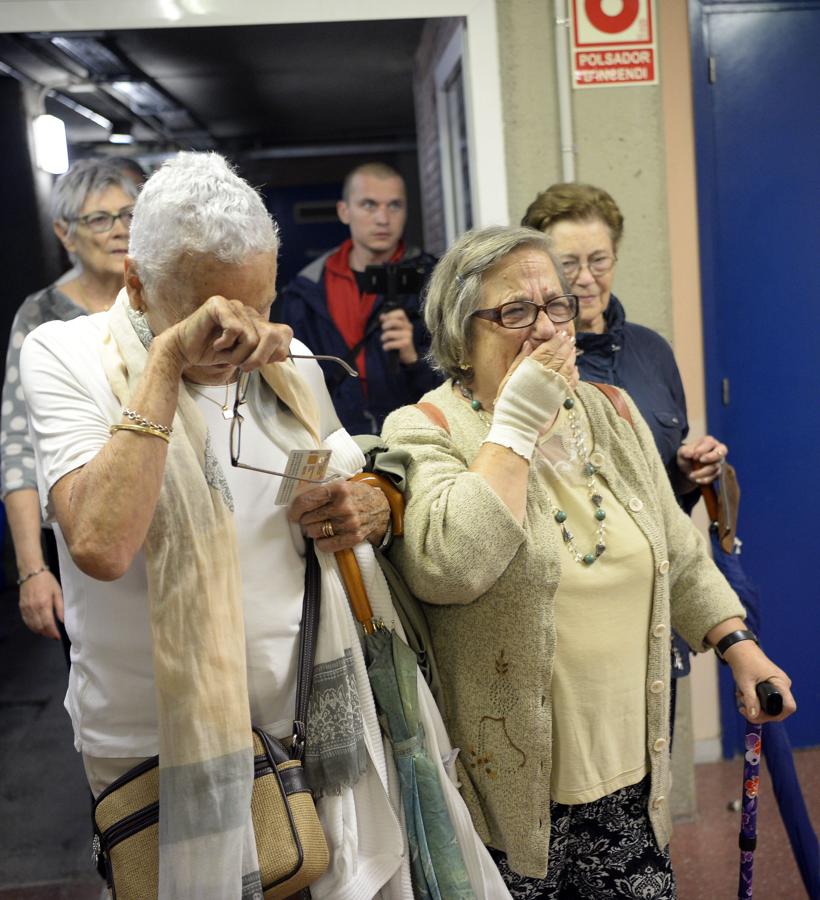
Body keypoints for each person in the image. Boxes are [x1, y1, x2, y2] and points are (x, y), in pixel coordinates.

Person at [19, 152, 507, 900]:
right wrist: (167, 362)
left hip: (315, 725)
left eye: (260, 306)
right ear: (138, 285)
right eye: (213, 320)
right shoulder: (66, 354)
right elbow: (100, 544)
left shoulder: (291, 361)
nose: (244, 340)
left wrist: (370, 503)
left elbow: (355, 477)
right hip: (157, 746)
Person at [381, 226, 796, 898]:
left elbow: (681, 555)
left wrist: (736, 643)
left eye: (556, 307)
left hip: (631, 778)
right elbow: (452, 566)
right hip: (510, 798)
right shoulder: (426, 429)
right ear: (462, 334)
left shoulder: (612, 413)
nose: (545, 329)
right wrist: (516, 420)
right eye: (516, 311)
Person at [522, 182, 728, 699]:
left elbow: (659, 483)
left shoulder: (651, 350)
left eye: (599, 260)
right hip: (575, 612)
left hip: (657, 604)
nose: (586, 279)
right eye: (568, 265)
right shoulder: (529, 361)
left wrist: (687, 469)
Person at [1, 159, 139, 650]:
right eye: (99, 219)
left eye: (129, 214)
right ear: (65, 232)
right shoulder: (41, 315)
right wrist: (32, 569)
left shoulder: (160, 295)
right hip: (78, 533)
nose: (120, 230)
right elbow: (17, 445)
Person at [279, 161, 440, 434]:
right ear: (344, 211)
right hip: (335, 440)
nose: (382, 218)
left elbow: (464, 382)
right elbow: (290, 381)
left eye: (394, 206)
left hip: (415, 436)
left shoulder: (434, 281)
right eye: (369, 205)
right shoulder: (307, 289)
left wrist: (415, 359)